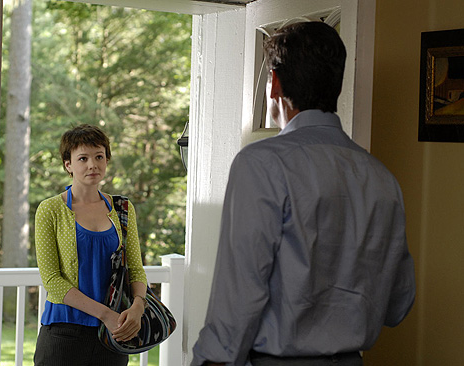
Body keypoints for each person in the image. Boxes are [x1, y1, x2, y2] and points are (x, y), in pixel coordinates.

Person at [191, 21, 416, 366]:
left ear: (275, 84)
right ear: (336, 86)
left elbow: (238, 297)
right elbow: (398, 304)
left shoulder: (262, 164)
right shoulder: (382, 178)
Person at [34, 124, 148, 366]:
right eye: (83, 158)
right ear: (68, 165)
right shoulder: (50, 210)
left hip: (114, 334)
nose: (92, 165)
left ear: (107, 160)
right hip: (64, 332)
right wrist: (105, 314)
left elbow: (135, 269)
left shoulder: (123, 209)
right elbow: (52, 281)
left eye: (99, 157)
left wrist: (138, 306)